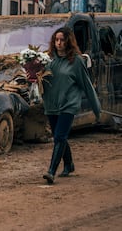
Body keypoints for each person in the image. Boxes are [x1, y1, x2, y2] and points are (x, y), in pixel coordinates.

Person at [41, 27, 101, 184]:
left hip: (68, 105)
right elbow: (41, 81)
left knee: (60, 137)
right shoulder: (48, 60)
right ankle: (69, 164)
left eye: (62, 40)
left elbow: (87, 85)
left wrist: (97, 109)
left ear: (68, 41)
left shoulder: (76, 61)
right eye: (57, 40)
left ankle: (51, 171)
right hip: (51, 104)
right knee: (59, 136)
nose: (59, 43)